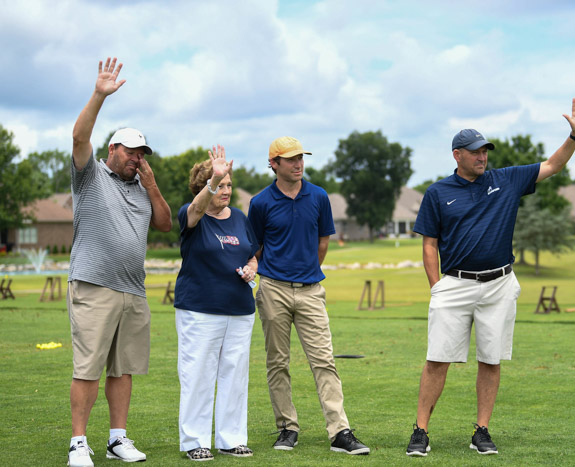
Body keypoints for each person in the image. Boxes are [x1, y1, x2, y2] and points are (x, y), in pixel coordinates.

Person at [406, 97, 575, 457]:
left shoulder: (506, 180)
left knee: (490, 359)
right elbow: (429, 244)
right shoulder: (438, 192)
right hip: (454, 285)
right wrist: (436, 286)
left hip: (500, 283)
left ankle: (482, 430)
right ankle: (420, 431)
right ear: (457, 155)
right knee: (437, 359)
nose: (482, 156)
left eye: (485, 150)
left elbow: (553, 164)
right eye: (475, 151)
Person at [67, 57, 172, 467]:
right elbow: (78, 138)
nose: (137, 158)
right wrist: (99, 94)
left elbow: (164, 225)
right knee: (88, 367)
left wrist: (152, 185)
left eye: (142, 153)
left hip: (132, 289)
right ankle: (78, 442)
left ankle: (117, 438)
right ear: (113, 149)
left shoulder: (144, 187)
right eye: (131, 151)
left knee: (123, 369)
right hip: (94, 284)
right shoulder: (90, 176)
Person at [247, 136, 370, 455]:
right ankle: (287, 428)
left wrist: (305, 273)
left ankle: (339, 430)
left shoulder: (318, 196)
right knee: (277, 362)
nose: (298, 163)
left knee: (324, 360)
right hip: (272, 289)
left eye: (301, 157)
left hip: (311, 290)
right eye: (290, 159)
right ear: (274, 163)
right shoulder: (260, 202)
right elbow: (255, 248)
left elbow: (323, 242)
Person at [173, 146, 258, 461]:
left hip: (239, 310)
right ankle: (194, 441)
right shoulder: (191, 215)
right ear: (203, 187)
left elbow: (251, 251)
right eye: (219, 185)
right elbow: (197, 209)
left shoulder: (238, 217)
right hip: (199, 310)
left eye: (228, 184)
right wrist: (214, 177)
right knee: (198, 374)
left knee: (235, 375)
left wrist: (253, 266)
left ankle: (231, 438)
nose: (226, 190)